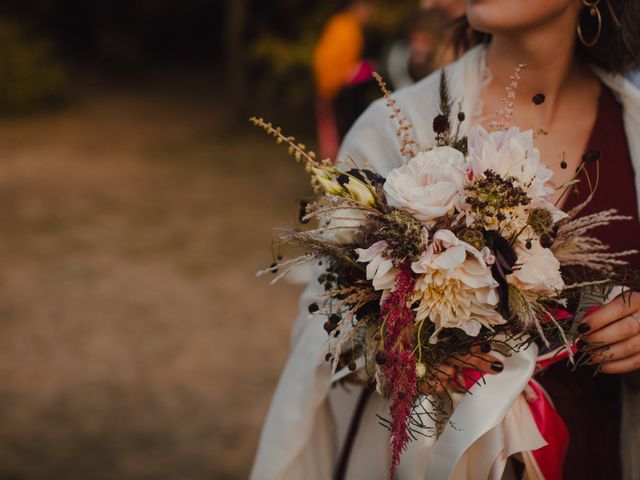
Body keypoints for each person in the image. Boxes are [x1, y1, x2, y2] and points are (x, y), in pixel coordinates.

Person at [252, 0, 640, 478]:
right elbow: (322, 318)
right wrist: (388, 348)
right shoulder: (397, 127)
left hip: (594, 452)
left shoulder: (634, 127)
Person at [312, 0, 376, 160]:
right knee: (340, 134)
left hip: (335, 86)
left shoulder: (344, 25)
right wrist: (330, 85)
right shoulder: (345, 27)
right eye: (367, 10)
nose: (369, 16)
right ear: (358, 7)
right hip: (336, 88)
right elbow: (328, 59)